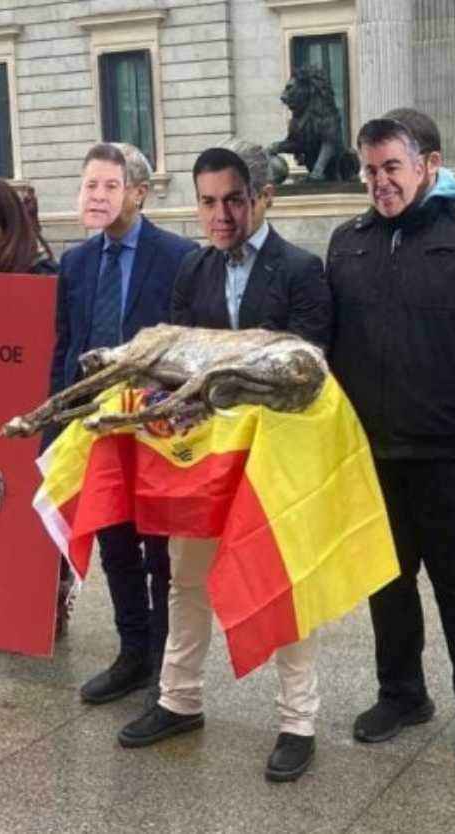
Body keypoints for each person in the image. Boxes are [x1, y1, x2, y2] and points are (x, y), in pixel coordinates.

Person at [326, 117, 455, 769]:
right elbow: (332, 346)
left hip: (454, 452)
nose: (379, 182)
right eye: (369, 170)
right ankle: (402, 693)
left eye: (391, 166)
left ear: (429, 163)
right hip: (375, 450)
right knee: (387, 582)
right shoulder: (350, 241)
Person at [118, 144, 331, 783]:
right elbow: (178, 358)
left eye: (233, 200)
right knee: (186, 580)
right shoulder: (194, 271)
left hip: (277, 459)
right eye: (208, 201)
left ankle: (298, 722)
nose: (219, 215)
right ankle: (179, 700)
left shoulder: (301, 270)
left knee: (284, 587)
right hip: (205, 457)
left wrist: (216, 377)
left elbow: (306, 367)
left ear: (262, 197)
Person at [49, 143, 197, 700]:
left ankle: (165, 659)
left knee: (160, 551)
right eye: (91, 186)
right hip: (96, 428)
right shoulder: (77, 262)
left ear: (138, 191)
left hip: (154, 427)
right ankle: (132, 651)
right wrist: (58, 416)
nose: (99, 196)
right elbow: (66, 345)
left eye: (111, 186)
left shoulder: (179, 256)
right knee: (114, 545)